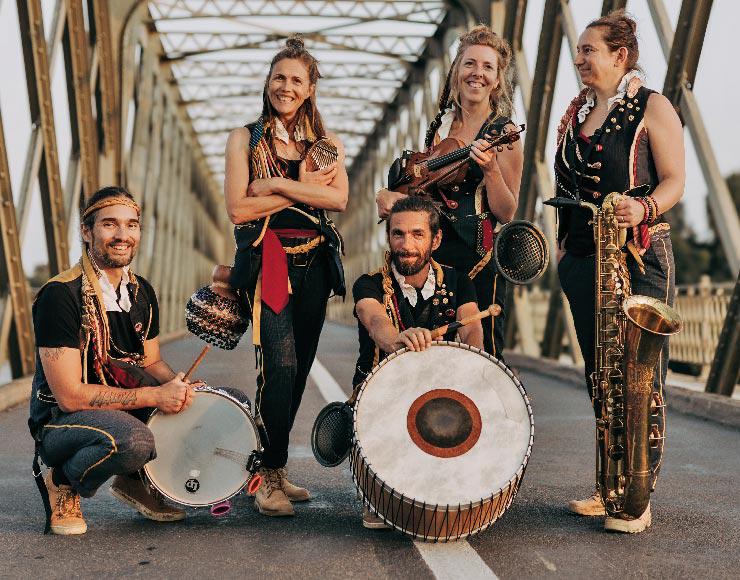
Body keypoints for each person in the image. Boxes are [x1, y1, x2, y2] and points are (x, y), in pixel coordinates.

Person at [553, 10, 684, 533]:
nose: (580, 58)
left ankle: (637, 497)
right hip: (585, 260)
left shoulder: (653, 106)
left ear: (619, 55)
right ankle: (609, 486)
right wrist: (564, 251)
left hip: (638, 256)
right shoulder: (575, 113)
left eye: (589, 50)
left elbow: (674, 180)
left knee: (640, 379)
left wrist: (644, 208)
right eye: (579, 50)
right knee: (600, 375)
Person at [224, 36, 348, 517]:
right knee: (279, 366)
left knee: (298, 371)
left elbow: (338, 200)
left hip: (315, 263)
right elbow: (238, 207)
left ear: (311, 88)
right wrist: (303, 191)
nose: (287, 86)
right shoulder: (244, 139)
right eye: (280, 77)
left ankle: (274, 469)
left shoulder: (326, 146)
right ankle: (265, 474)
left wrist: (275, 184)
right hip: (270, 261)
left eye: (297, 79)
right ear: (268, 82)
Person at [30, 186, 200, 535]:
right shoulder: (60, 295)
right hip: (64, 422)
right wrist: (155, 397)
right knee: (135, 441)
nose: (123, 236)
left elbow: (151, 362)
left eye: (132, 225)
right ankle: (62, 483)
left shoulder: (141, 291)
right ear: (86, 231)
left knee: (223, 403)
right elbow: (70, 397)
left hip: (123, 411)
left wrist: (179, 388)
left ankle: (133, 480)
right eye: (110, 224)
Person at [376, 25, 523, 360]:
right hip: (433, 260)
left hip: (478, 262)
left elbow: (506, 212)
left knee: (483, 360)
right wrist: (388, 196)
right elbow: (425, 192)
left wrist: (491, 170)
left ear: (497, 80)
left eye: (488, 67)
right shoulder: (439, 126)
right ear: (457, 71)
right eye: (470, 64)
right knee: (433, 357)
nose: (478, 73)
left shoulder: (504, 133)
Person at [353, 196, 483, 528]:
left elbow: (472, 330)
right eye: (398, 234)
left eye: (417, 234)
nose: (406, 245)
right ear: (389, 237)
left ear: (435, 239)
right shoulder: (369, 283)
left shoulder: (458, 282)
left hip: (441, 394)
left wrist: (474, 366)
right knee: (387, 511)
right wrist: (396, 338)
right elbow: (374, 320)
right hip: (383, 394)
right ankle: (377, 488)